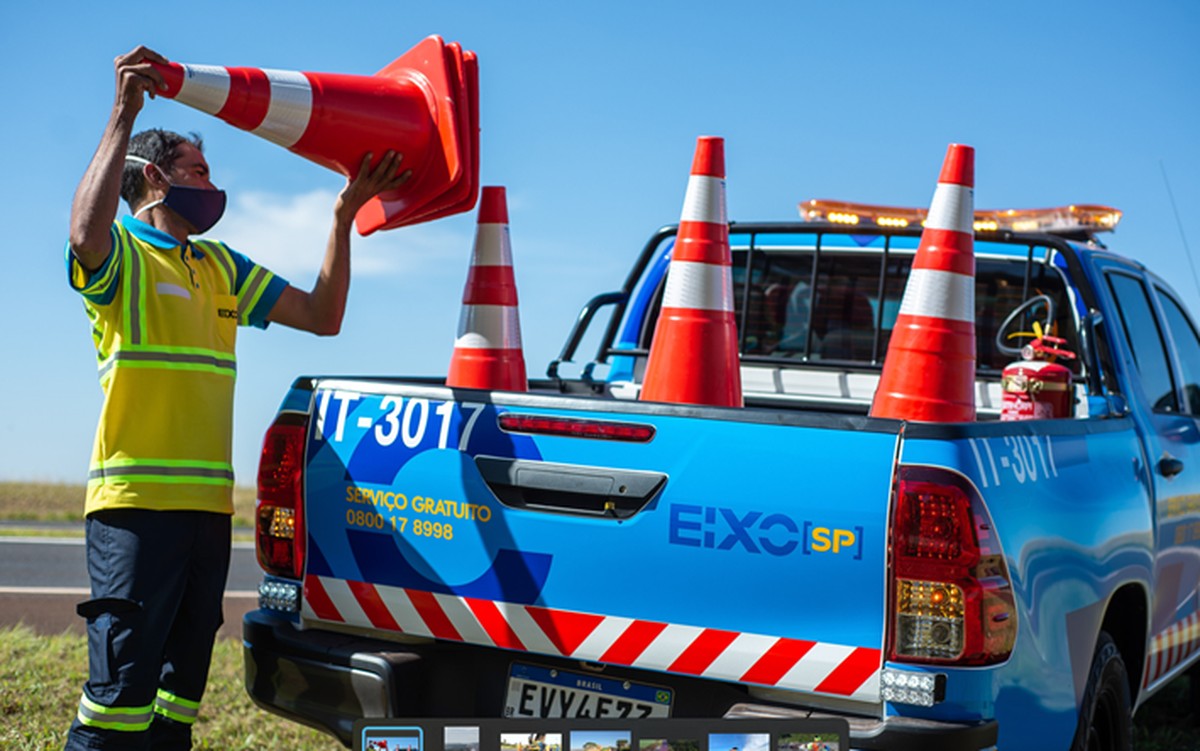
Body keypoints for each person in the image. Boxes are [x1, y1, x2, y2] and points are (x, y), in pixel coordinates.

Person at [62, 46, 411, 750]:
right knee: (117, 699)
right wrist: (124, 114)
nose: (212, 185)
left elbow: (322, 315)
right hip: (134, 513)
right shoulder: (123, 258)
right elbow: (83, 234)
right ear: (155, 179)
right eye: (199, 171)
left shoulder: (221, 266)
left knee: (177, 696)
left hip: (206, 514)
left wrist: (343, 215)